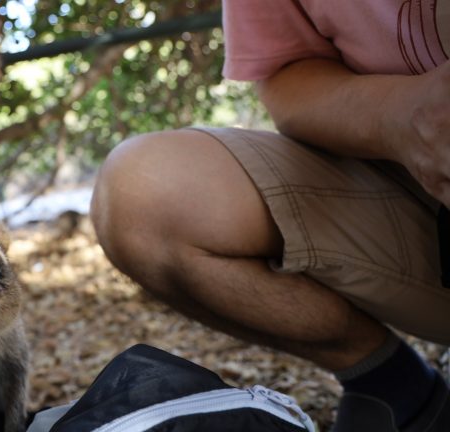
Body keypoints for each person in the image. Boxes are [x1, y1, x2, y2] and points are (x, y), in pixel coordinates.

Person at [89, 1, 450, 431]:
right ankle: (396, 384)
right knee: (141, 191)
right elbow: (287, 74)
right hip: (411, 199)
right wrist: (402, 116)